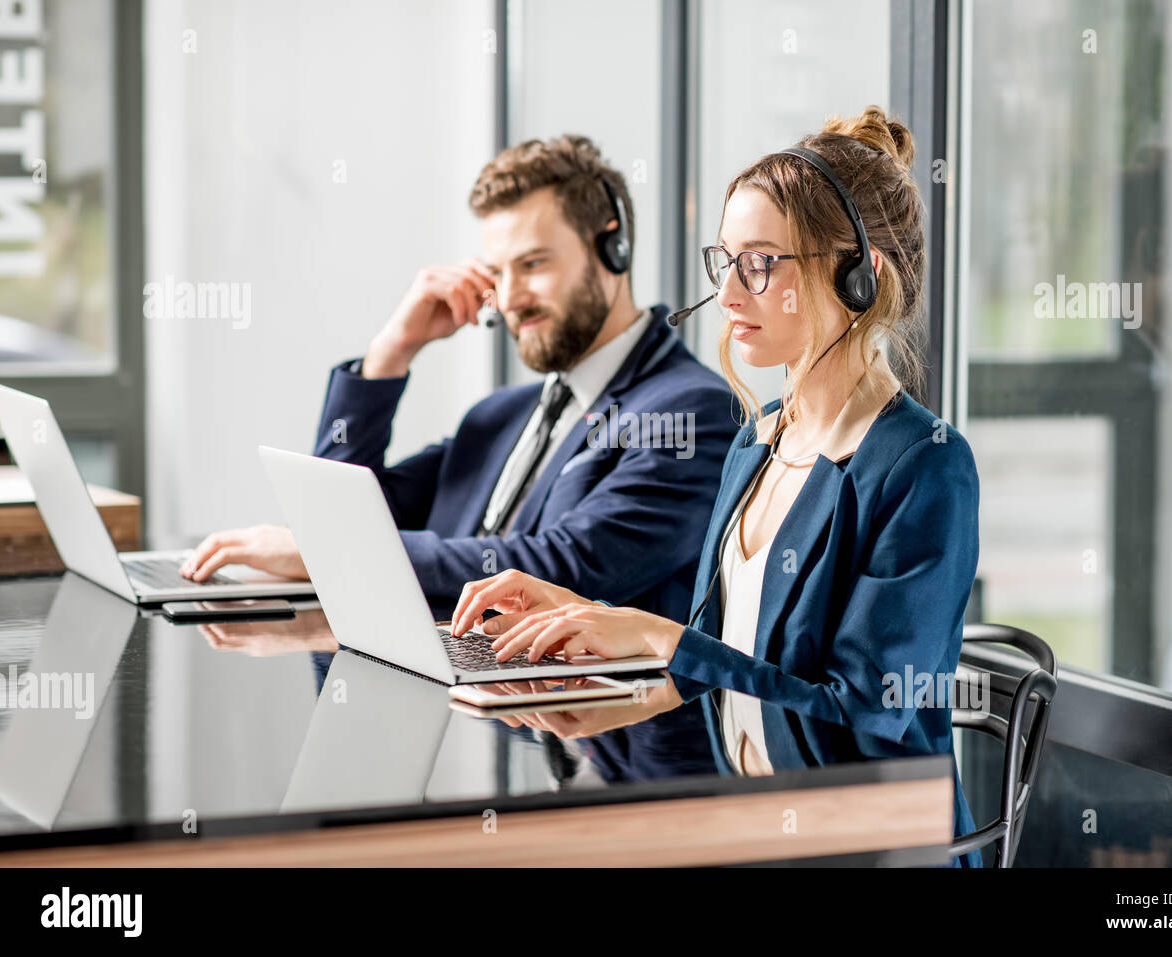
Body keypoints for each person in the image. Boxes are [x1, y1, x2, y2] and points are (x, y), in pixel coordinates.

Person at [450, 107, 985, 866]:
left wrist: (665, 639)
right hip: (757, 834)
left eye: (761, 264)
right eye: (725, 261)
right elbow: (712, 663)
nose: (729, 297)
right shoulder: (756, 440)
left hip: (869, 849)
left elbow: (862, 723)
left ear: (860, 278)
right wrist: (589, 636)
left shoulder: (925, 465)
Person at [180, 134, 740, 782]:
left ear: (611, 247)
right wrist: (392, 351)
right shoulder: (500, 415)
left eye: (533, 264)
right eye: (496, 273)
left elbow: (571, 565)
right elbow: (344, 512)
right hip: (478, 738)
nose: (509, 298)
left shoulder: (690, 411)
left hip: (616, 779)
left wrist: (335, 557)